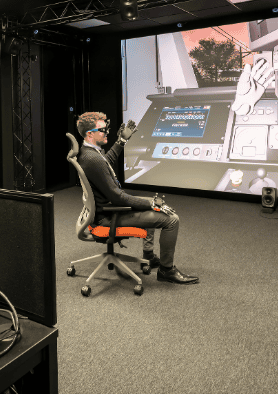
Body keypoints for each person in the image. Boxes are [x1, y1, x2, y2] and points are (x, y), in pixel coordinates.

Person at [75, 111, 199, 285]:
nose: (107, 132)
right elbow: (118, 197)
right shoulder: (92, 159)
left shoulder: (89, 153)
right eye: (103, 130)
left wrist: (121, 141)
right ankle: (166, 270)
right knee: (171, 220)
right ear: (90, 133)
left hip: (105, 209)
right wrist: (150, 203)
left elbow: (106, 163)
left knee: (150, 204)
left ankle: (149, 256)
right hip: (109, 216)